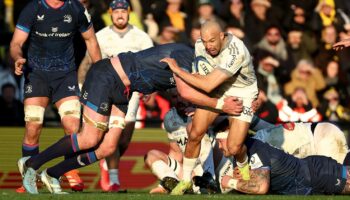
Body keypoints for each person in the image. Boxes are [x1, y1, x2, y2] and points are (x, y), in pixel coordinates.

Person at [19, 43, 243, 194]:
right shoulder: (186, 55)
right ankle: (31, 164)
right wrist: (222, 105)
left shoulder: (196, 67)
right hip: (107, 76)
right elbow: (185, 93)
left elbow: (183, 88)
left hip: (125, 91)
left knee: (107, 148)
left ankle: (53, 173)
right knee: (89, 139)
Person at [9, 0, 101, 192]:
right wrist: (18, 58)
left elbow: (90, 39)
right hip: (37, 75)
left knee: (72, 126)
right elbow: (16, 42)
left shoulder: (75, 8)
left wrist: (100, 70)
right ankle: (29, 177)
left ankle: (67, 171)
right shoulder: (33, 8)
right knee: (33, 126)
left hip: (65, 75)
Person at [162, 21, 258, 195]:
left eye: (212, 41)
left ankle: (245, 172)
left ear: (222, 36)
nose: (208, 46)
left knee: (234, 148)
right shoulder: (200, 45)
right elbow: (201, 77)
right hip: (218, 89)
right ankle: (185, 182)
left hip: (242, 93)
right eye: (204, 41)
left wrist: (177, 70)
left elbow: (206, 84)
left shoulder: (235, 51)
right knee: (195, 133)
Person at [78, 0, 154, 192]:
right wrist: (81, 89)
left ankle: (106, 164)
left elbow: (152, 64)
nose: (120, 15)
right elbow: (88, 63)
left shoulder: (141, 37)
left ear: (129, 13)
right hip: (108, 91)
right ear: (110, 14)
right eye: (116, 11)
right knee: (112, 134)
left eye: (123, 11)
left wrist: (150, 88)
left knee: (123, 139)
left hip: (134, 93)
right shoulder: (101, 36)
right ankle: (113, 179)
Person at [217, 133, 350, 195]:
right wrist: (244, 178)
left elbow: (261, 187)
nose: (218, 146)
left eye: (220, 141)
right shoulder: (241, 155)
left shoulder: (254, 148)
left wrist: (230, 182)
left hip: (317, 173)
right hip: (308, 180)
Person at [144, 90, 217, 194]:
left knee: (192, 127)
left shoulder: (203, 109)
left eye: (182, 96)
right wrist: (162, 183)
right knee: (151, 155)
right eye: (174, 97)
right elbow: (176, 152)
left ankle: (208, 179)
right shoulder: (170, 118)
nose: (179, 100)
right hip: (189, 174)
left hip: (213, 170)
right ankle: (171, 184)